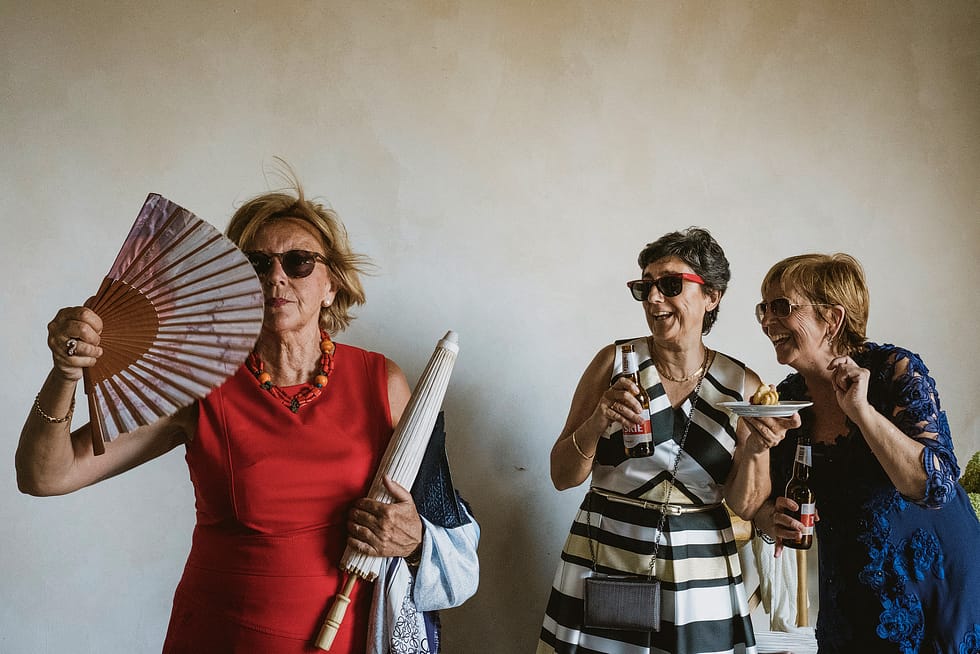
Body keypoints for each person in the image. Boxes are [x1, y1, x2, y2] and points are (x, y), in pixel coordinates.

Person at [16, 179, 479, 653]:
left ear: (330, 285)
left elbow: (441, 520)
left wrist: (416, 538)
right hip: (222, 636)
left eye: (298, 262)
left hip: (347, 637)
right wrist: (65, 376)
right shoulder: (200, 385)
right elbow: (45, 476)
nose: (275, 276)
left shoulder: (383, 382)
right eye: (256, 264)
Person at [537, 227, 791, 654]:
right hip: (606, 554)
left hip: (701, 572)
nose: (654, 299)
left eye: (670, 285)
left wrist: (756, 449)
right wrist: (600, 419)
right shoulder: (614, 363)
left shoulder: (742, 386)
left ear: (712, 295)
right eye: (645, 287)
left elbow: (745, 505)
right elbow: (562, 475)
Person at [749, 253, 980, 653]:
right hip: (851, 586)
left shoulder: (895, 370)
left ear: (832, 319)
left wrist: (861, 410)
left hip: (935, 583)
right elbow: (764, 502)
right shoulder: (786, 399)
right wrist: (773, 518)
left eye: (782, 307)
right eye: (763, 309)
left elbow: (935, 487)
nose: (768, 321)